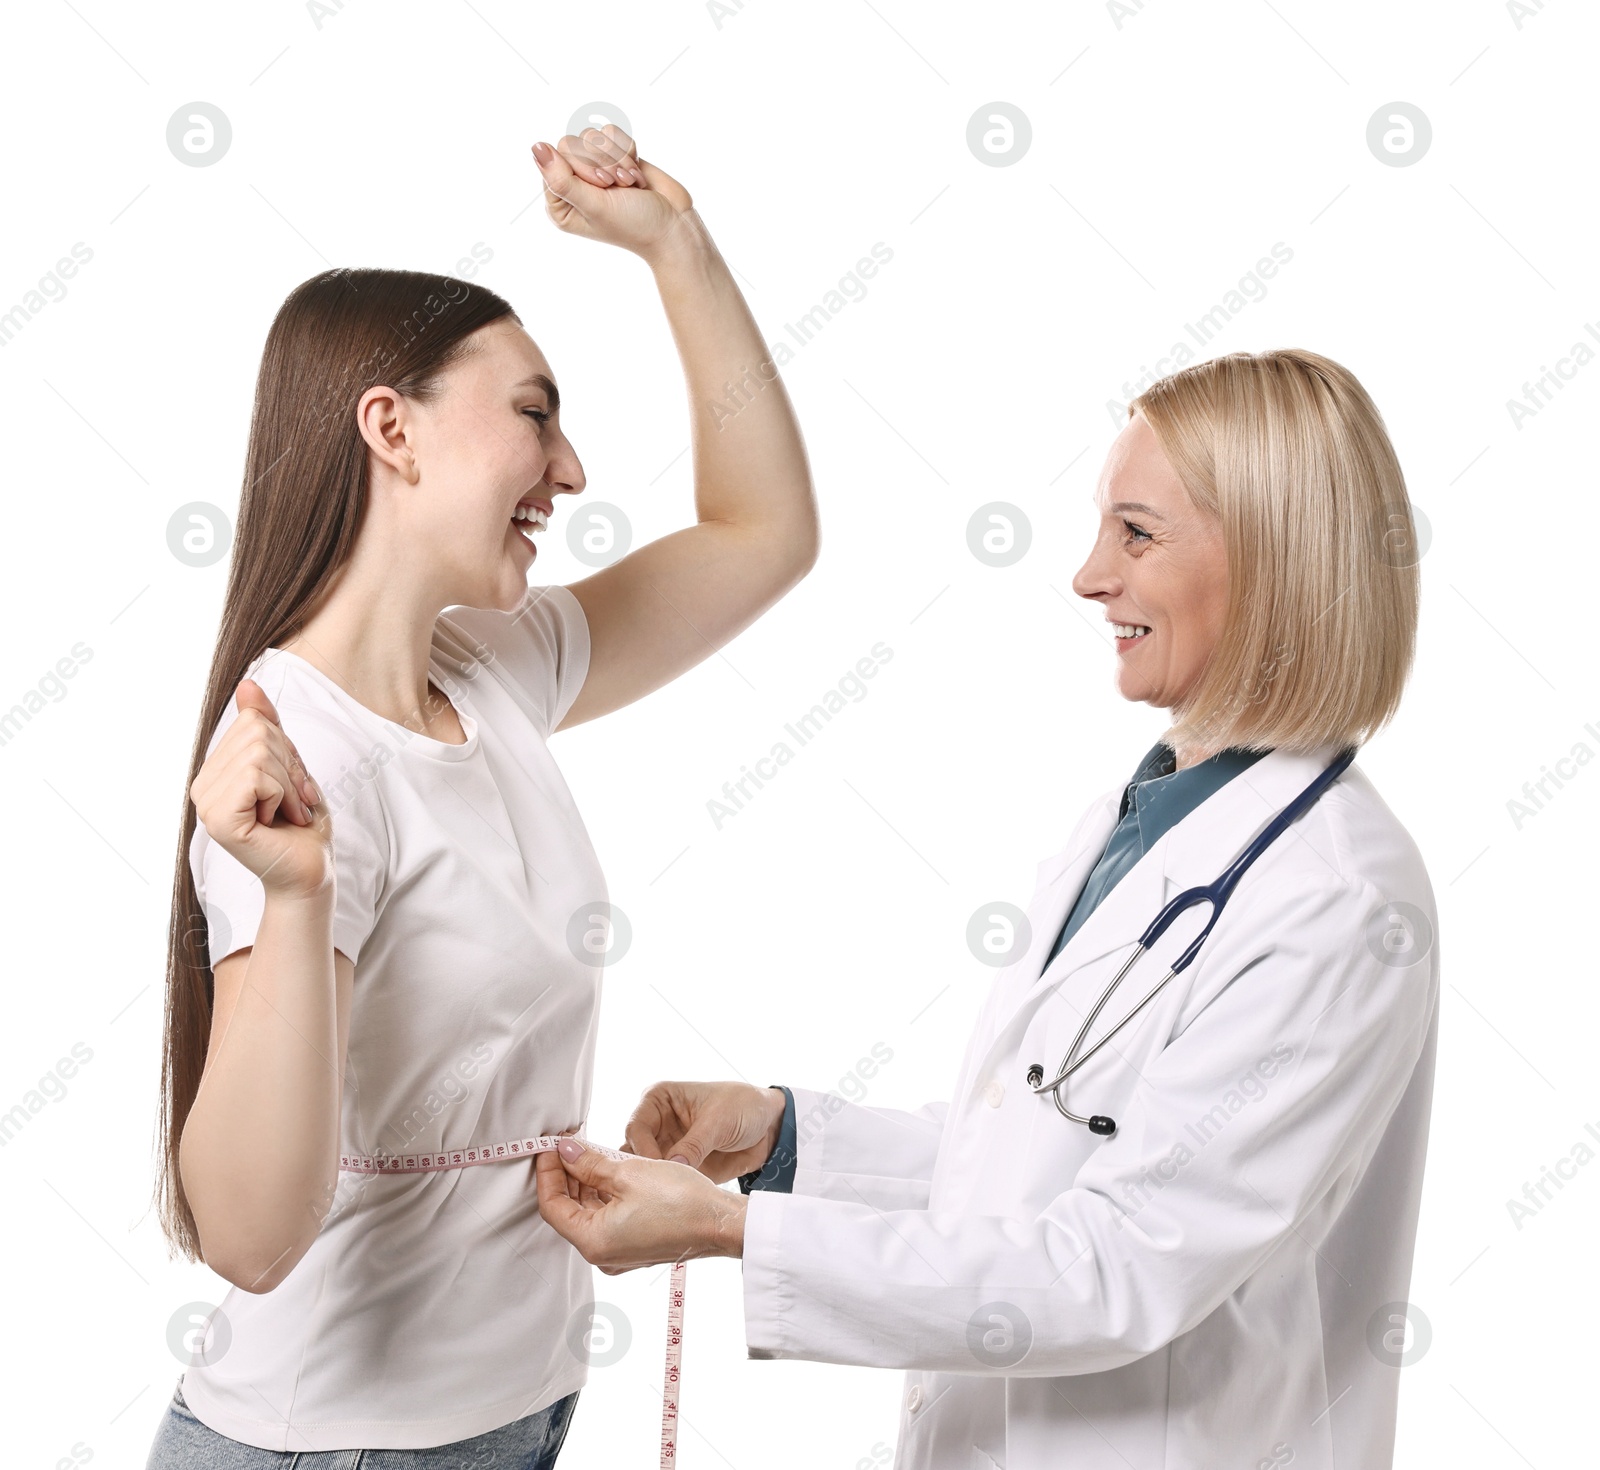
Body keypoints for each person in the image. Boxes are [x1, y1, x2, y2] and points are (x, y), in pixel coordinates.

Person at [537, 349, 1440, 1470]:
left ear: (1270, 562)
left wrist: (731, 1232)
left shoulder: (1332, 904)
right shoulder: (1151, 813)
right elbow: (1039, 1153)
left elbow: (1118, 1263)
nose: (1087, 576)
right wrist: (784, 1141)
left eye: (1136, 534)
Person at [145, 125, 818, 1465]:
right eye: (534, 413)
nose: (569, 470)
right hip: (333, 1447)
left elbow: (765, 536)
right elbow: (254, 1237)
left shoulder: (488, 671)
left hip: (509, 1417)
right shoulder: (297, 764)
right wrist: (290, 898)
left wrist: (673, 247)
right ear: (390, 428)